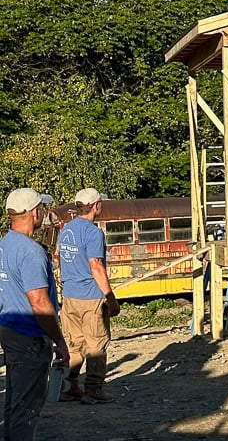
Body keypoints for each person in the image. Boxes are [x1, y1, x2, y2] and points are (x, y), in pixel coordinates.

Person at [0, 187, 70, 440]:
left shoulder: (5, 244)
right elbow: (39, 303)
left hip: (10, 328)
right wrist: (60, 341)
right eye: (42, 208)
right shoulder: (30, 251)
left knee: (15, 400)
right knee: (27, 406)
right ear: (34, 212)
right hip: (28, 335)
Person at [56, 188, 121, 404]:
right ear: (96, 205)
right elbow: (96, 266)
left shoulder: (66, 229)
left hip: (69, 297)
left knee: (75, 345)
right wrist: (110, 298)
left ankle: (70, 386)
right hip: (90, 297)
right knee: (97, 345)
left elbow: (59, 255)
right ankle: (94, 389)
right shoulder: (93, 233)